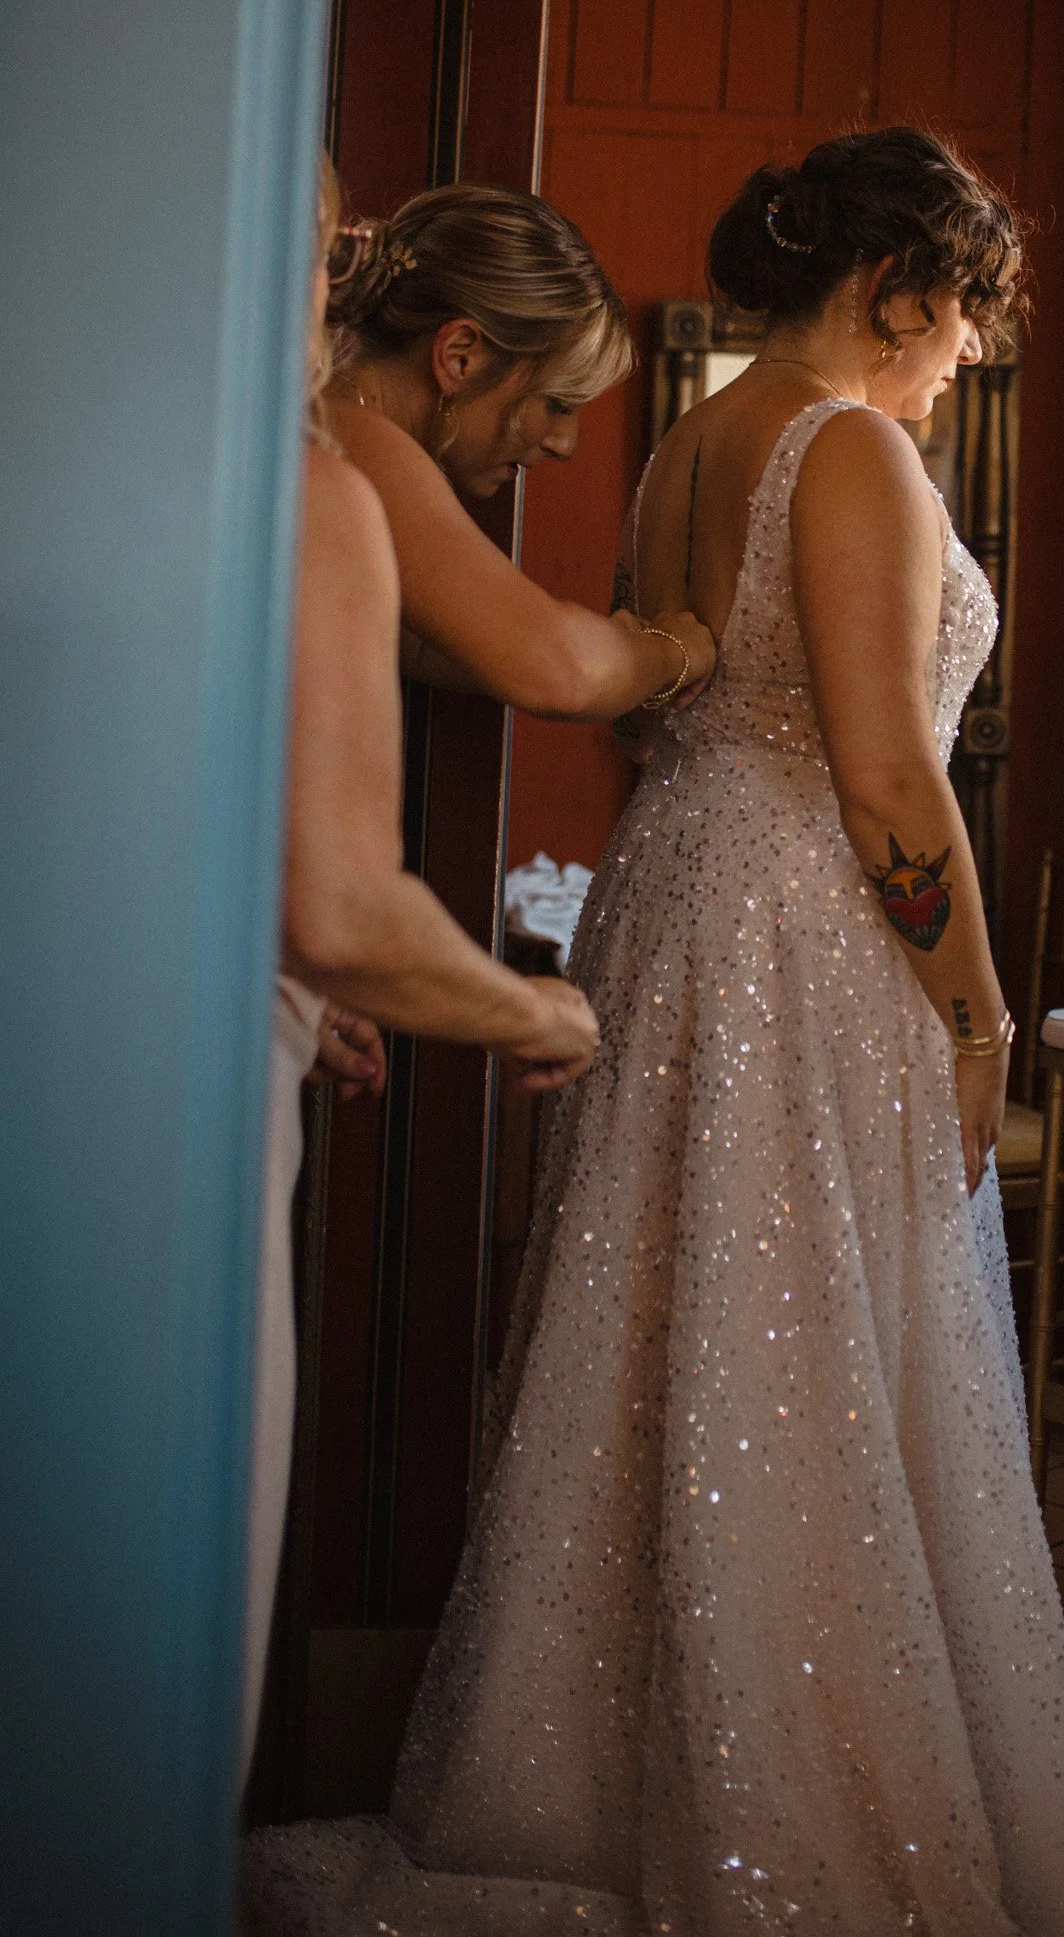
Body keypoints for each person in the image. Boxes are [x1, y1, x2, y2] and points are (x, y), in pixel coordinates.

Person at [243, 130, 1064, 1934]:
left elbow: (656, 688)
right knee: (797, 1348)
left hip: (682, 898)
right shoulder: (854, 453)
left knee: (674, 1349)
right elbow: (889, 772)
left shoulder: (682, 445)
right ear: (893, 288)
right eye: (961, 310)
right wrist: (973, 1012)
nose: (964, 349)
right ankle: (785, 1805)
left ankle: (604, 1774)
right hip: (804, 932)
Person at [242, 166, 601, 1781]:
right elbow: (343, 896)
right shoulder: (326, 471)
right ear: (462, 354)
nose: (333, 282)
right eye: (320, 248)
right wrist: (537, 1008)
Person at [321, 184, 715, 717]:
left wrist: (614, 648)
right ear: (461, 356)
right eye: (555, 402)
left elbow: (421, 644)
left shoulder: (342, 419)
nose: (565, 443)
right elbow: (560, 671)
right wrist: (674, 652)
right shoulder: (362, 442)